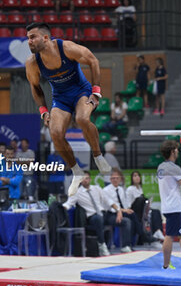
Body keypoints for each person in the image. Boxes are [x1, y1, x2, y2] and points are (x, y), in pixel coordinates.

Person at [25, 23, 111, 197]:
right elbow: (35, 87)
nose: (29, 41)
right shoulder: (33, 63)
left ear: (46, 38)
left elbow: (93, 60)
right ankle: (76, 172)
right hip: (61, 98)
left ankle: (98, 155)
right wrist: (43, 110)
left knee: (82, 119)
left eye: (33, 37)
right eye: (28, 38)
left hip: (81, 91)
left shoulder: (67, 48)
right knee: (55, 132)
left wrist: (96, 91)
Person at [63, 171, 120, 256]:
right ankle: (102, 244)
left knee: (125, 220)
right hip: (91, 217)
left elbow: (108, 200)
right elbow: (69, 203)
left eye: (87, 178)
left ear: (90, 179)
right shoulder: (77, 193)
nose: (85, 180)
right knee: (98, 219)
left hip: (103, 214)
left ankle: (126, 246)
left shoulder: (97, 188)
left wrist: (119, 210)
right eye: (83, 179)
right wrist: (61, 207)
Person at [157, 140, 181, 269]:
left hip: (168, 205)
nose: (178, 152)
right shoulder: (174, 168)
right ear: (172, 152)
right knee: (170, 236)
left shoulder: (161, 166)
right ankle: (165, 265)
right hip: (174, 207)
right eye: (176, 150)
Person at [103, 168, 154, 246]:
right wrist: (122, 210)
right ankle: (132, 241)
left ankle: (137, 239)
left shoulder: (120, 189)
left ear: (120, 179)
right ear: (110, 179)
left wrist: (127, 210)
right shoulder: (106, 190)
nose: (115, 180)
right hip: (111, 214)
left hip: (121, 211)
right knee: (128, 220)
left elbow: (124, 203)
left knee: (133, 214)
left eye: (117, 178)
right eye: (113, 178)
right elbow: (110, 205)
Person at [126, 171, 164, 241]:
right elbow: (129, 204)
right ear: (132, 178)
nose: (137, 178)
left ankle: (158, 231)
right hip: (135, 210)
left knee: (156, 212)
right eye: (134, 176)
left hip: (143, 209)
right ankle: (149, 235)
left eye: (138, 176)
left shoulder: (140, 188)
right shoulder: (130, 189)